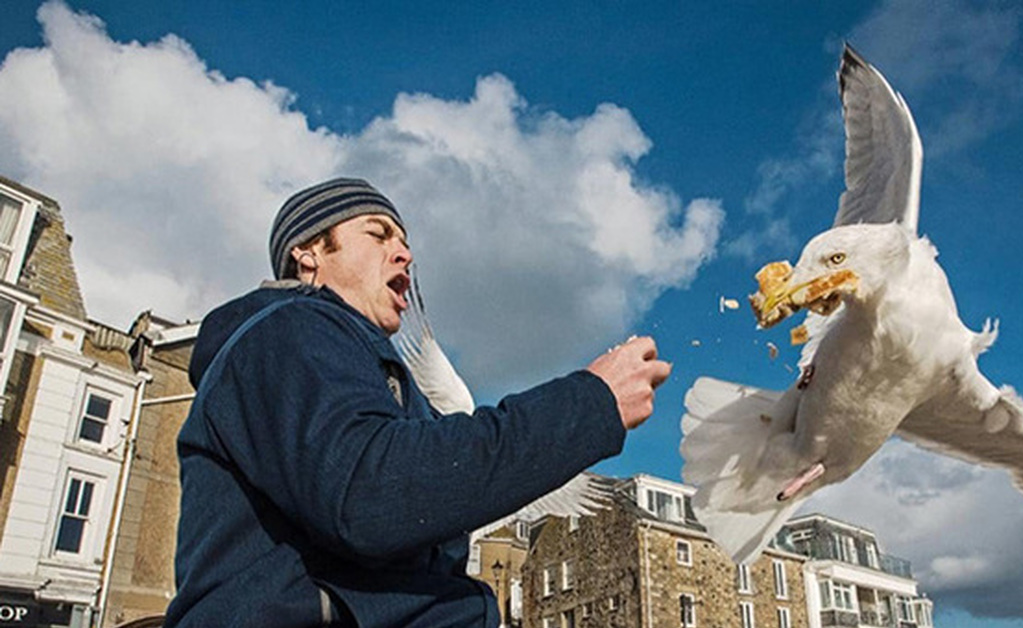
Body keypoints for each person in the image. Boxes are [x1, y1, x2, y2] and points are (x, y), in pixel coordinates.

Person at [165, 178, 671, 627]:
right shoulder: (284, 331)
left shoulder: (380, 378)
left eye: (405, 241)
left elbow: (422, 493)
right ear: (309, 252)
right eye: (378, 234)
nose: (405, 253)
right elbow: (372, 493)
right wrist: (590, 403)